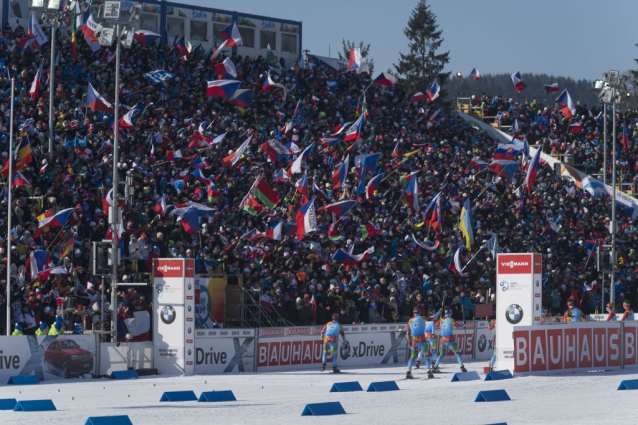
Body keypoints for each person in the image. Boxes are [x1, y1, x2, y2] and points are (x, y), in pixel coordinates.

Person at [433, 308, 467, 373]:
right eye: (451, 313)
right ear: (450, 313)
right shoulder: (451, 319)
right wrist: (463, 324)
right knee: (457, 353)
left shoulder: (441, 319)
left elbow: (436, 325)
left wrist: (440, 324)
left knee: (441, 354)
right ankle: (462, 366)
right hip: (450, 340)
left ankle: (435, 366)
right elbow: (458, 326)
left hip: (443, 340)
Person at [406, 307, 427, 379]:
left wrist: (409, 342)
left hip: (414, 340)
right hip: (422, 339)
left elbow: (408, 333)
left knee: (412, 356)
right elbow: (433, 318)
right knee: (426, 355)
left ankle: (408, 371)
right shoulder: (422, 318)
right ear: (419, 312)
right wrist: (439, 313)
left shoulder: (410, 320)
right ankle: (429, 371)